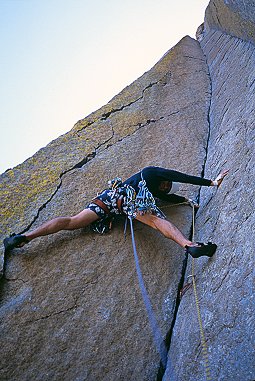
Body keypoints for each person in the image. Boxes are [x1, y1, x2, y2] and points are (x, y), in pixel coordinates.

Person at [3, 166, 229, 258]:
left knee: (72, 221)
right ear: (165, 181)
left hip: (108, 199)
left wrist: (188, 201)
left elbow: (172, 197)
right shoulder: (151, 174)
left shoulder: (152, 184)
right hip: (128, 201)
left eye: (166, 190)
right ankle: (189, 245)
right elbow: (180, 176)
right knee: (158, 222)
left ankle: (25, 237)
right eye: (166, 185)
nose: (165, 188)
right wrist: (210, 182)